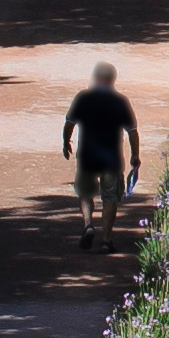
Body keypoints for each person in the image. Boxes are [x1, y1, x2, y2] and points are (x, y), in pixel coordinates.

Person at [60, 62, 139, 245]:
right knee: (110, 198)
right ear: (113, 79)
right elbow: (132, 131)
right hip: (112, 159)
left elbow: (69, 124)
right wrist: (135, 155)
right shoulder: (121, 101)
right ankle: (106, 240)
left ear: (96, 78)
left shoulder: (83, 98)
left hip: (87, 155)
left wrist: (66, 143)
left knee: (85, 192)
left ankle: (88, 224)